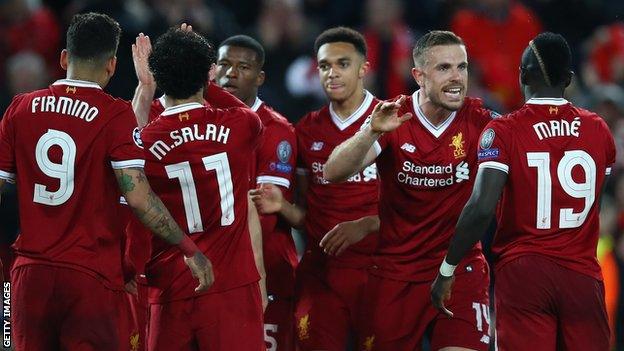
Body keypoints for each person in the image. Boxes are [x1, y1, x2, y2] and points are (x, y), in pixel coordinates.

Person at [0, 13, 212, 351]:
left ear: (64, 58)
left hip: (30, 278)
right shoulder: (113, 114)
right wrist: (189, 248)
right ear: (112, 65)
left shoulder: (19, 108)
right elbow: (140, 199)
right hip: (89, 278)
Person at [431, 32, 614, 351]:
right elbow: (598, 191)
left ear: (523, 74)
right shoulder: (598, 128)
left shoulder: (504, 131)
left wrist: (448, 267)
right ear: (569, 79)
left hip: (524, 273)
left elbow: (481, 207)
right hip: (582, 276)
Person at [323, 30, 494, 351]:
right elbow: (333, 172)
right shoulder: (393, 117)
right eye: (444, 68)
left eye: (462, 67)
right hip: (396, 273)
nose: (457, 77)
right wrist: (369, 132)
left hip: (460, 268)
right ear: (419, 76)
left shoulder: (481, 120)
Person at [251, 26, 381, 350]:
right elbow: (308, 215)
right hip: (321, 274)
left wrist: (367, 225)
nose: (332, 73)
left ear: (364, 68)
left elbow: (416, 206)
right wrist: (282, 206)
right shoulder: (307, 130)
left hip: (381, 272)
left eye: (343, 64)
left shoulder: (391, 119)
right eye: (324, 66)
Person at [141, 27, 265, 350]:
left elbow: (130, 142)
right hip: (232, 287)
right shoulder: (241, 126)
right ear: (208, 77)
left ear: (159, 77)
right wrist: (202, 75)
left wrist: (146, 87)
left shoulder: (145, 142)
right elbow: (247, 112)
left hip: (170, 290)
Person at [215, 34, 298, 351]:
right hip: (213, 268)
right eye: (224, 64)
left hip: (265, 273)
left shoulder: (275, 130)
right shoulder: (199, 121)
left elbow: (263, 210)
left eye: (242, 67)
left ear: (260, 77)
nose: (230, 73)